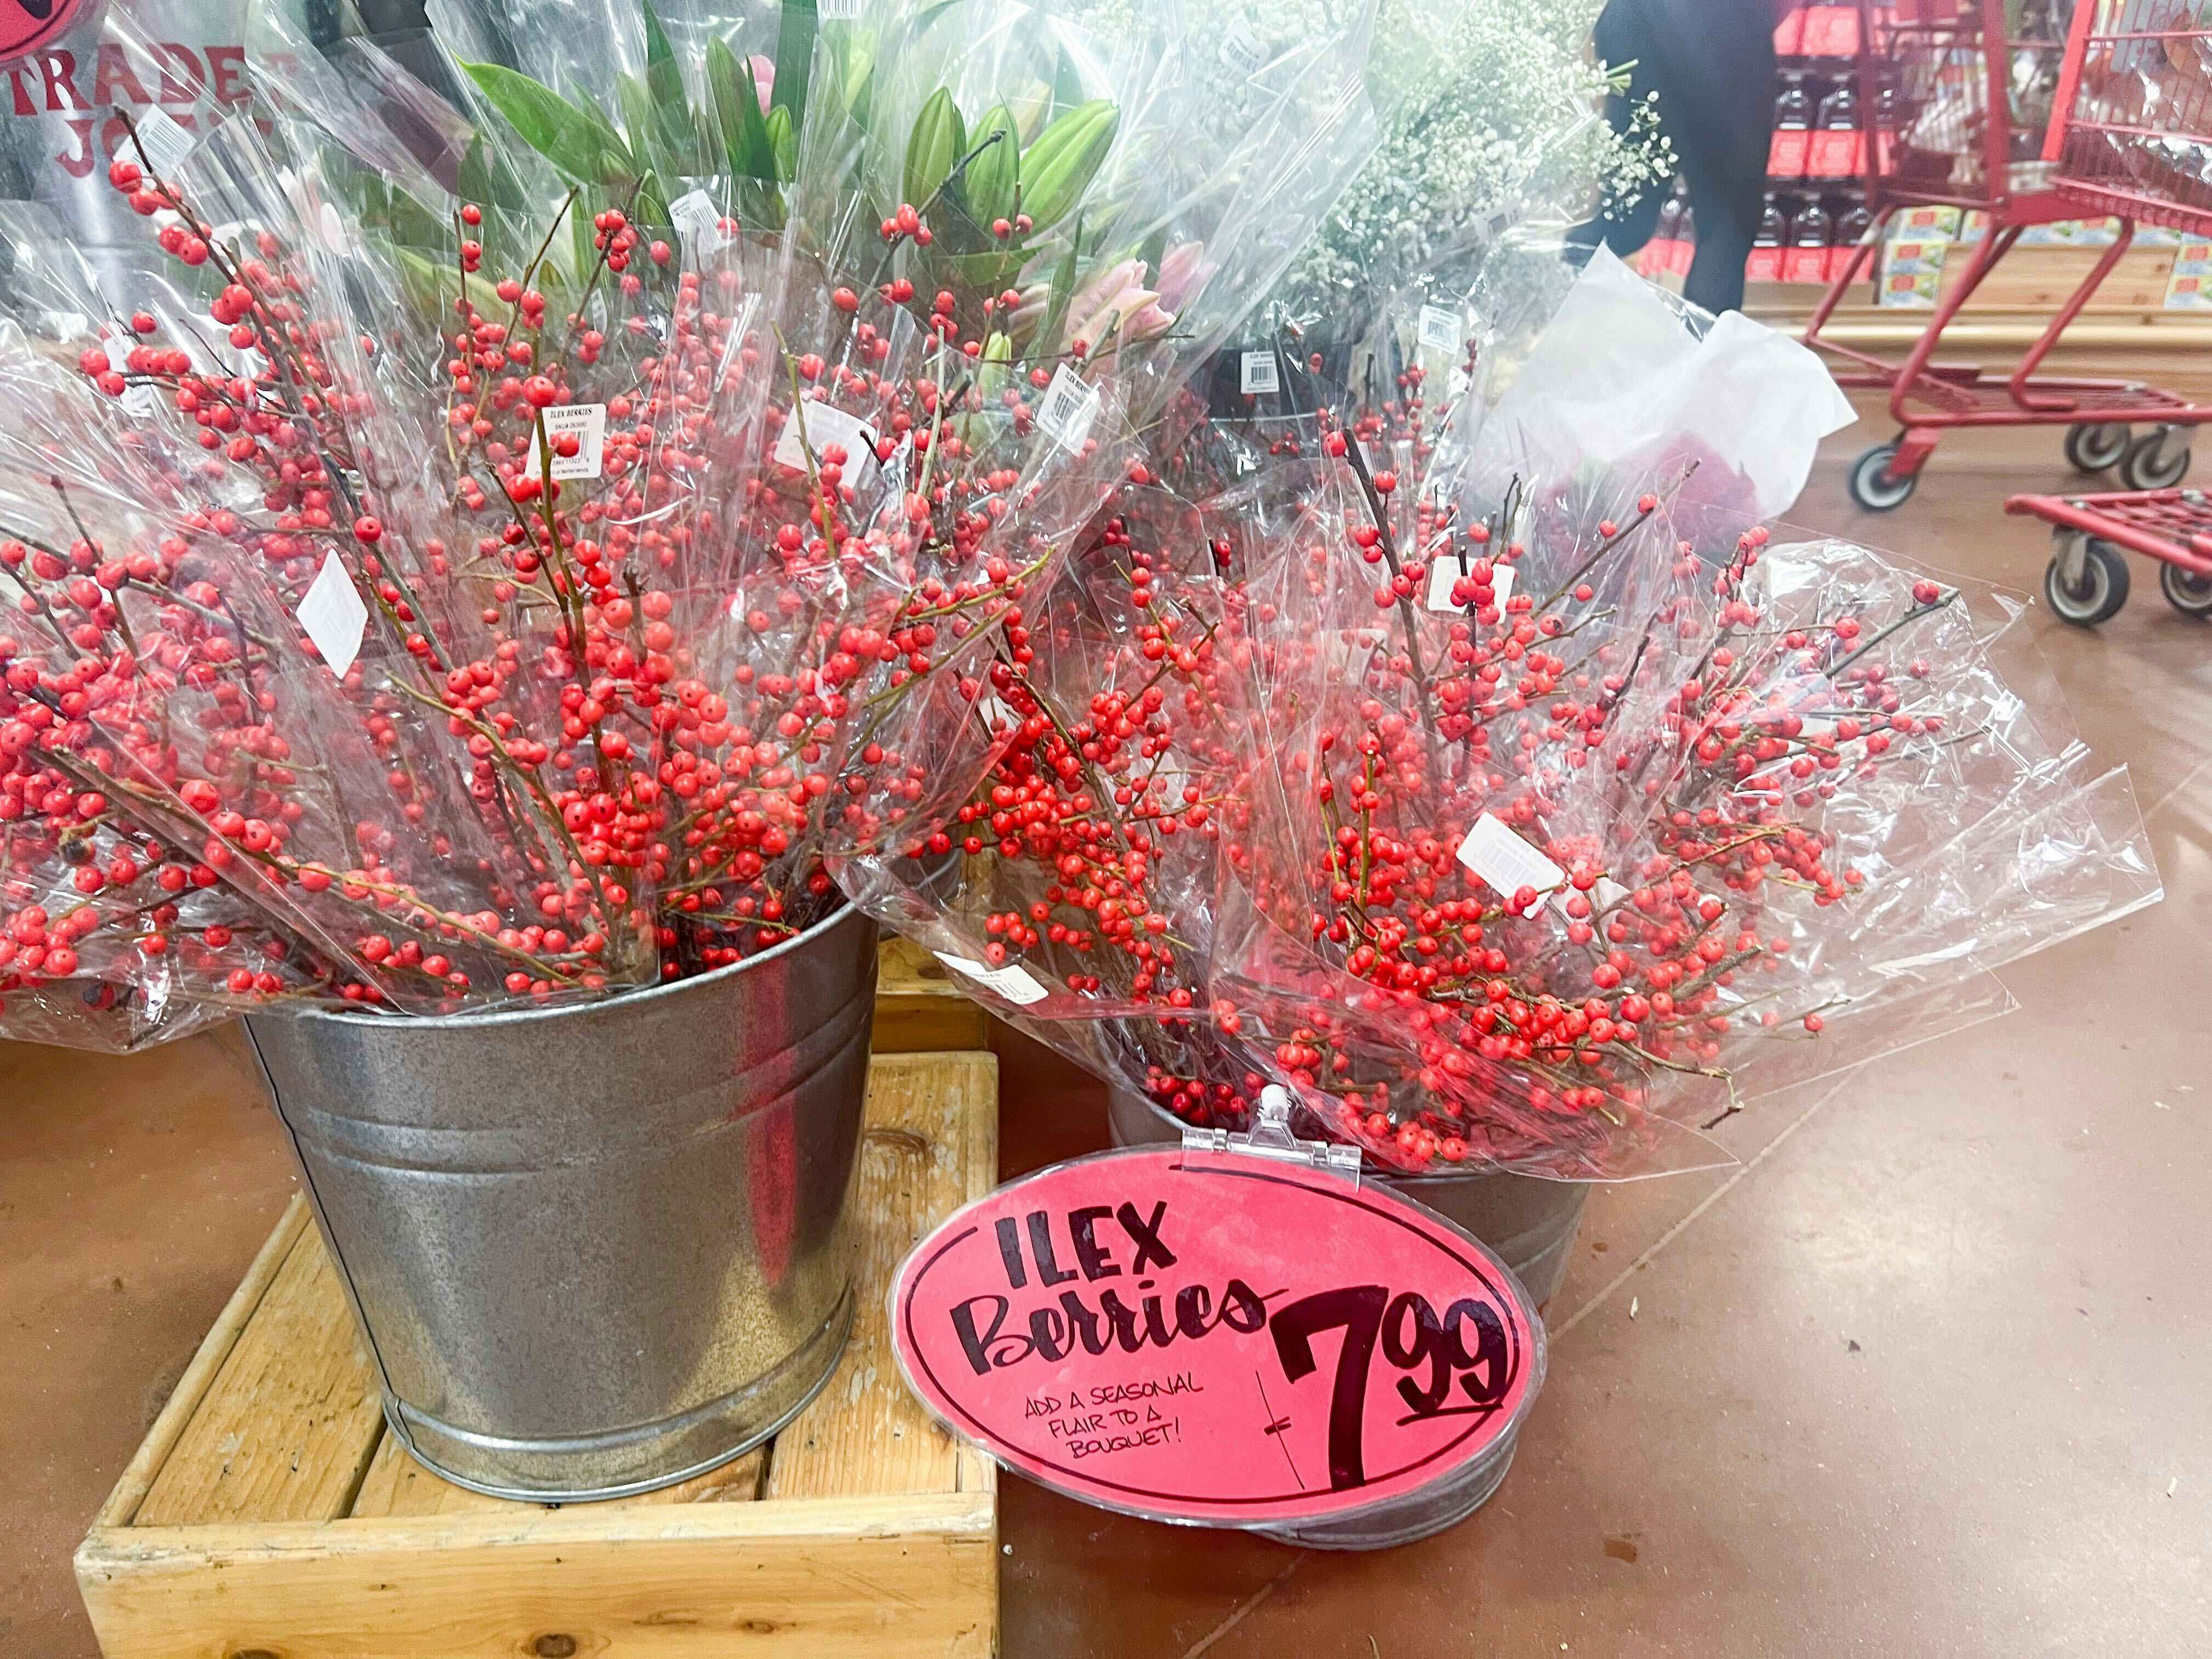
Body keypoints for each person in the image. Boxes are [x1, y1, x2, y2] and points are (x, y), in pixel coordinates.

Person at [1573, 0, 1800, 314]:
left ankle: (1533, 304)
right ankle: (1703, 341)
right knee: (1728, 218)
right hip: (1725, 22)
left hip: (1634, 15)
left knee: (1625, 215)